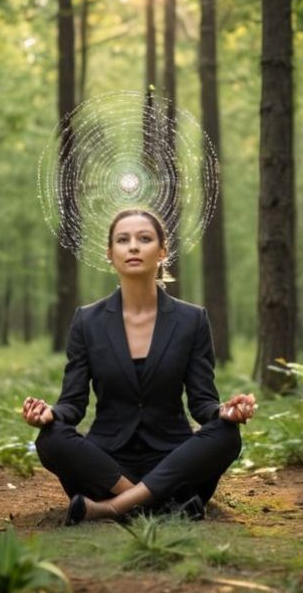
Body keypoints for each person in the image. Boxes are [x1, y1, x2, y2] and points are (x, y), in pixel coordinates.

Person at [23, 208, 256, 525]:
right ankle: (161, 505)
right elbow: (73, 404)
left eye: (144, 239)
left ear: (162, 252)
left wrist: (224, 412)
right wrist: (51, 414)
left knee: (227, 435)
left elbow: (202, 403)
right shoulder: (87, 321)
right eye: (123, 240)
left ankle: (111, 508)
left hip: (173, 460)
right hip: (107, 464)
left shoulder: (192, 320)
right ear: (110, 253)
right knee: (50, 438)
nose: (133, 246)